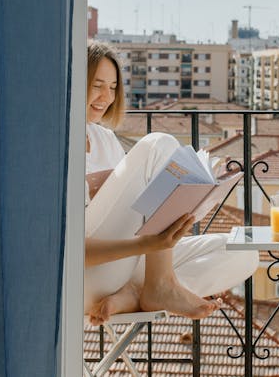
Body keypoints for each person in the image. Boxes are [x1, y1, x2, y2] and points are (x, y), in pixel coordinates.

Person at [83, 41, 258, 325]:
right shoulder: (56, 147)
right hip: (89, 276)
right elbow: (69, 252)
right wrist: (149, 245)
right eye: (97, 85)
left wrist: (188, 207)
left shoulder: (105, 139)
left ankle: (138, 292)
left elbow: (134, 214)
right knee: (159, 144)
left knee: (243, 253)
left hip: (130, 268)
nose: (107, 96)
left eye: (113, 87)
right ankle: (159, 285)